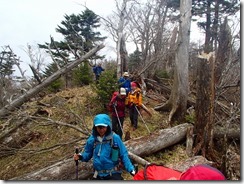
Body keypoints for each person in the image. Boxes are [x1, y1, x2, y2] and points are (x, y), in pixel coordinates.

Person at [73, 114, 137, 180]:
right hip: (98, 174)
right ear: (95, 127)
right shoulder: (92, 139)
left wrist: (131, 169)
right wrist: (81, 156)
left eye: (103, 127)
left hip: (113, 173)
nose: (101, 130)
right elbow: (87, 154)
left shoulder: (115, 138)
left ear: (108, 126)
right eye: (99, 127)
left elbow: (123, 154)